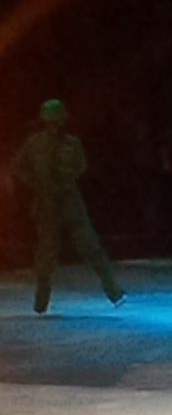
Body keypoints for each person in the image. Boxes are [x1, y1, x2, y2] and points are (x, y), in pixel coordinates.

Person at [12, 99, 126, 314]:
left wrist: (64, 179)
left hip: (70, 202)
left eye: (57, 121)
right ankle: (41, 302)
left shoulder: (72, 143)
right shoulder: (34, 144)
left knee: (92, 248)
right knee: (46, 256)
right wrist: (35, 183)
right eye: (50, 121)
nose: (54, 125)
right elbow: (19, 166)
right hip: (46, 204)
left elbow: (80, 166)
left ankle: (114, 292)